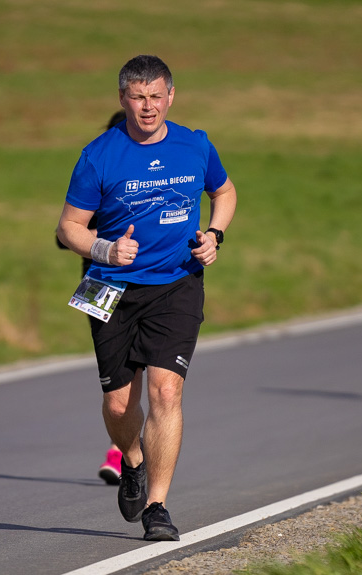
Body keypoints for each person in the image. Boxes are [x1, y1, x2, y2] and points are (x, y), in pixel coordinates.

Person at [56, 55, 237, 541]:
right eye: (137, 97)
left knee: (166, 391)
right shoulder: (99, 155)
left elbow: (225, 191)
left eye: (156, 96)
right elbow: (68, 226)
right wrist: (105, 249)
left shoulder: (195, 144)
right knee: (118, 406)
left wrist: (215, 235)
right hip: (111, 287)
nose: (148, 107)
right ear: (123, 99)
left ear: (170, 97)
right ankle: (132, 459)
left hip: (177, 283)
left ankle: (158, 505)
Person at [57, 110, 128, 486]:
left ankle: (123, 454)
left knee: (151, 377)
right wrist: (104, 239)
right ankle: (122, 453)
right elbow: (62, 234)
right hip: (99, 285)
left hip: (151, 286)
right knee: (118, 379)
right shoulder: (99, 171)